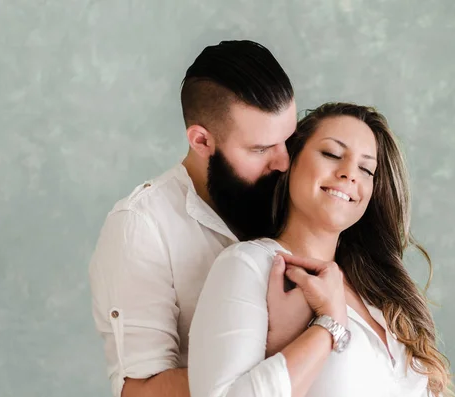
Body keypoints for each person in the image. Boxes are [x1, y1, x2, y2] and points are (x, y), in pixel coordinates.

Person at [188, 102, 454, 397]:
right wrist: (328, 326)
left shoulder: (380, 294)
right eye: (332, 154)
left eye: (366, 169)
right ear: (292, 161)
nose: (350, 174)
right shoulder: (249, 266)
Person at [88, 40, 303, 397]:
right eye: (260, 149)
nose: (283, 162)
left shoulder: (294, 192)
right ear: (202, 140)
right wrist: (284, 356)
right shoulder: (141, 226)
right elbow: (140, 391)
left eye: (288, 140)